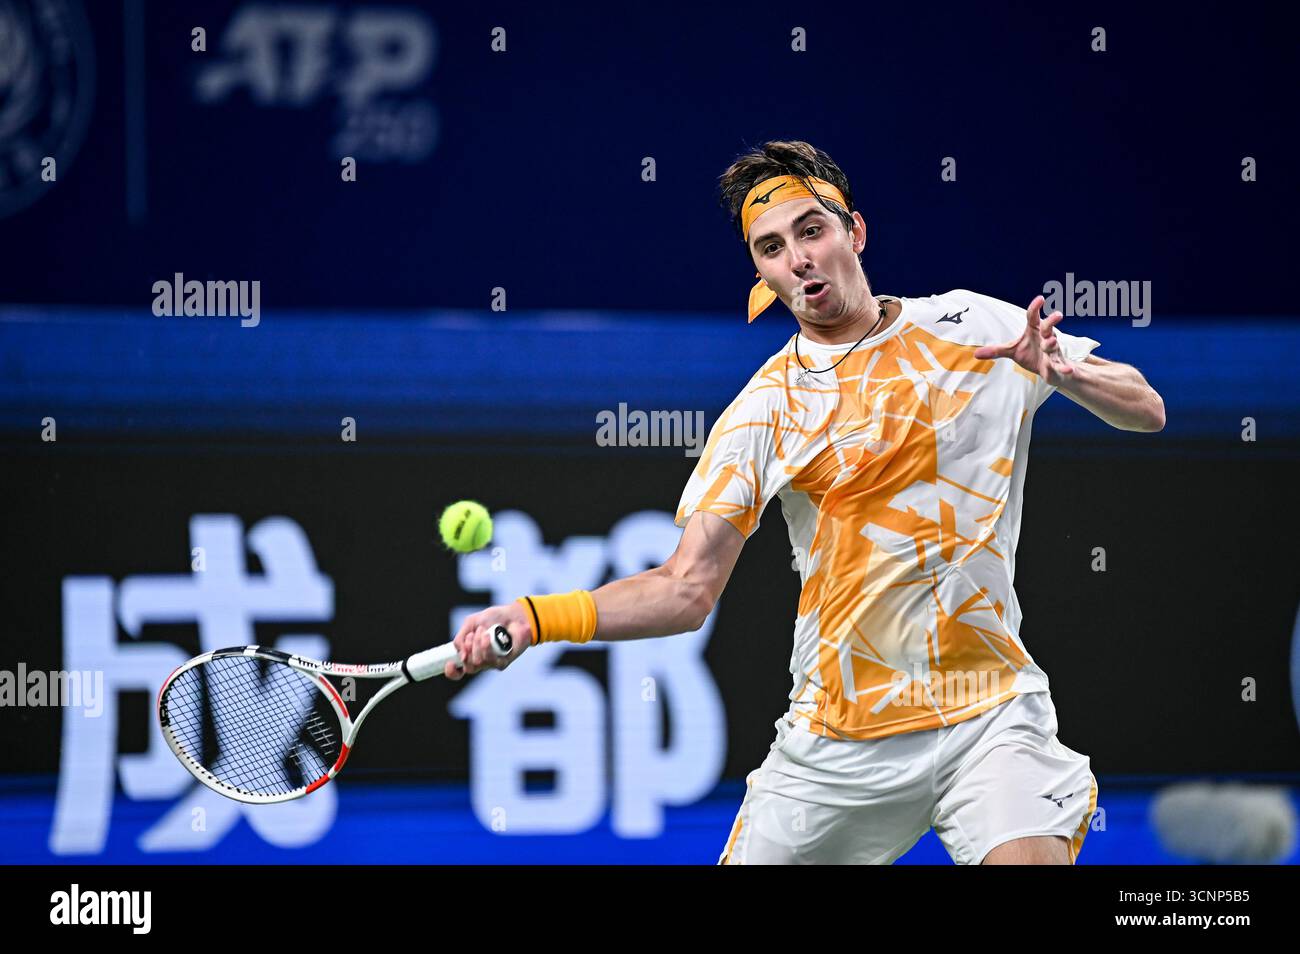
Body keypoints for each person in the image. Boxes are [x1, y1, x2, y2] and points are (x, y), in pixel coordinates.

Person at [445, 140, 1165, 865]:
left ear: (854, 231)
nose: (799, 257)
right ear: (760, 271)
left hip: (990, 714)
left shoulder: (973, 327)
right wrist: (537, 618)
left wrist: (1066, 370)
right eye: (772, 247)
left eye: (811, 230)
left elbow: (1147, 408)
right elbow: (685, 588)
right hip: (838, 743)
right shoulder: (765, 409)